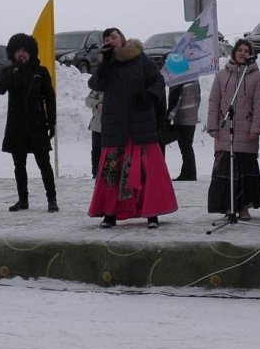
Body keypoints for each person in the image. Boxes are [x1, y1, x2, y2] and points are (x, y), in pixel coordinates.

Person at [88, 27, 177, 229]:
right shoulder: (107, 63)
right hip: (115, 125)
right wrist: (104, 63)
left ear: (122, 39)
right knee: (113, 171)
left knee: (147, 171)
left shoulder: (140, 58)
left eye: (114, 36)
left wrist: (148, 95)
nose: (110, 40)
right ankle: (109, 213)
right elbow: (95, 84)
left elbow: (158, 80)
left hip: (140, 123)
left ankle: (151, 213)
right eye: (107, 38)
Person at [0, 33, 58, 212]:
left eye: (24, 50)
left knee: (44, 164)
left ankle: (52, 200)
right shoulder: (9, 71)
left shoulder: (41, 72)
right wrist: (12, 71)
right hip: (16, 126)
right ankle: (23, 200)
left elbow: (50, 98)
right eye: (17, 51)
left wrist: (51, 122)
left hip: (37, 125)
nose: (21, 54)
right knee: (19, 166)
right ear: (12, 54)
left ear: (31, 51)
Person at [206, 38, 260, 220]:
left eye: (246, 51)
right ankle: (228, 207)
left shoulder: (256, 76)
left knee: (244, 172)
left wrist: (255, 129)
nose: (242, 53)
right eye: (239, 50)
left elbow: (259, 105)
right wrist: (213, 127)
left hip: (246, 132)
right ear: (234, 53)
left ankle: (244, 207)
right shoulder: (222, 75)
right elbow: (214, 102)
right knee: (226, 170)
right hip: (226, 130)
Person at [167, 80, 200, 181]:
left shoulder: (178, 82)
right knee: (188, 147)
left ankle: (189, 174)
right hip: (192, 117)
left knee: (185, 148)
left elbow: (175, 102)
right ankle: (188, 172)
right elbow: (198, 97)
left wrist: (168, 118)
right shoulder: (195, 80)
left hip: (182, 118)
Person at [85, 89, 104, 179]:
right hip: (98, 127)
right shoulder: (99, 87)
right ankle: (96, 174)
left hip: (116, 127)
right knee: (97, 151)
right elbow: (88, 100)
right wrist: (97, 104)